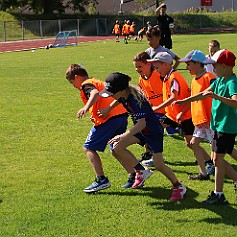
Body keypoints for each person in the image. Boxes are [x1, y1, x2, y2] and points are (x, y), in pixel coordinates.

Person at [99, 72, 186, 201]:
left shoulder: (135, 101)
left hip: (152, 132)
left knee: (159, 165)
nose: (111, 95)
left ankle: (178, 186)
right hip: (142, 130)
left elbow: (141, 123)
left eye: (112, 92)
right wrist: (108, 109)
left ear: (121, 90)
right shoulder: (123, 95)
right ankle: (142, 171)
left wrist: (123, 135)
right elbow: (117, 101)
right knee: (117, 148)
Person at [65, 64, 142, 192]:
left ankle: (101, 180)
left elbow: (94, 94)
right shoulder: (96, 81)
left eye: (72, 82)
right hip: (120, 116)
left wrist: (85, 108)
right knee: (115, 148)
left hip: (109, 120)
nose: (73, 86)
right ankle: (134, 175)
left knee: (88, 148)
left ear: (77, 77)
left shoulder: (86, 84)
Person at [175, 49, 237, 205]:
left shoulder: (231, 82)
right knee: (219, 158)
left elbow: (235, 102)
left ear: (224, 66)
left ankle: (219, 194)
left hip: (226, 125)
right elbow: (204, 93)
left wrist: (216, 97)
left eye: (214, 65)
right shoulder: (219, 81)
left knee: (217, 159)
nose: (212, 68)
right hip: (217, 125)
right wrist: (184, 101)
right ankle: (219, 193)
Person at [147, 52, 196, 165]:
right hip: (172, 115)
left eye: (157, 67)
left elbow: (174, 97)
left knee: (191, 143)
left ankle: (208, 161)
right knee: (155, 129)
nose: (156, 70)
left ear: (166, 65)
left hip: (184, 115)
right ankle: (155, 157)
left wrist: (157, 108)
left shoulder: (174, 77)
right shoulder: (167, 77)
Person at [177, 50, 216, 180]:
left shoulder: (209, 77)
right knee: (193, 143)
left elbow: (217, 95)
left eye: (189, 64)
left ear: (198, 63)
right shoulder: (194, 80)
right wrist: (182, 112)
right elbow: (193, 98)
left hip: (210, 120)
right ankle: (204, 173)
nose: (187, 67)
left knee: (223, 149)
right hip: (200, 121)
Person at [133, 51, 165, 164]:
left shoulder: (159, 74)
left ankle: (208, 160)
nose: (137, 69)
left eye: (140, 66)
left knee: (189, 140)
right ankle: (150, 154)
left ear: (148, 64)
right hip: (155, 112)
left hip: (168, 111)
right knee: (146, 127)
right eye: (136, 67)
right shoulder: (141, 79)